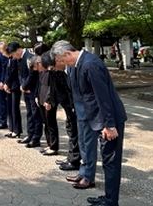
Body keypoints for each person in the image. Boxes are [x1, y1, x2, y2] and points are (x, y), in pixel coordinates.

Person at [51, 40, 127, 205]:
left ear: (67, 54)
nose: (64, 65)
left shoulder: (90, 65)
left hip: (109, 120)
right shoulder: (80, 64)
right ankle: (108, 197)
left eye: (63, 61)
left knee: (111, 162)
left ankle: (111, 201)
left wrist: (109, 125)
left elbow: (104, 98)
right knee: (108, 162)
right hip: (99, 120)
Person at [35, 51, 60, 156]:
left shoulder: (51, 72)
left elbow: (52, 88)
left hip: (48, 101)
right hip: (41, 98)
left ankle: (54, 146)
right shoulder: (42, 72)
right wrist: (37, 96)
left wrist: (48, 100)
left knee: (51, 123)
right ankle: (49, 144)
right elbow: (39, 85)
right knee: (46, 123)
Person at [17, 45, 42, 148]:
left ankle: (36, 138)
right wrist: (22, 86)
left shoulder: (30, 57)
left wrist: (25, 86)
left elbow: (32, 75)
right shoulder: (20, 59)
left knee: (35, 115)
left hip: (32, 89)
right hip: (25, 89)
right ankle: (30, 134)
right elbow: (20, 74)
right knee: (29, 114)